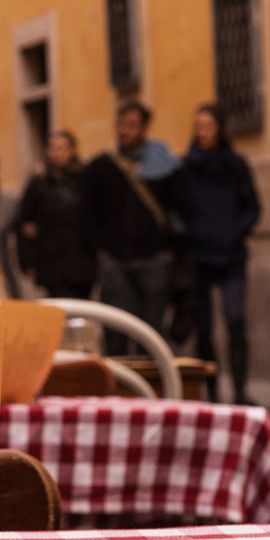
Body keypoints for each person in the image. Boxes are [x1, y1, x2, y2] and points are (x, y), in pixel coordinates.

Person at [81, 101, 191, 352]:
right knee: (116, 331)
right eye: (120, 125)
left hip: (154, 259)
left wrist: (171, 249)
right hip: (115, 260)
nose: (124, 131)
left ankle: (149, 386)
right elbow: (89, 212)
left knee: (150, 332)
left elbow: (179, 210)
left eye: (131, 125)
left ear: (145, 128)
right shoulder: (102, 167)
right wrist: (99, 249)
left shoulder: (166, 167)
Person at [183, 103, 261, 405]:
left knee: (235, 319)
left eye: (207, 126)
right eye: (198, 126)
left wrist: (236, 230)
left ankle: (240, 390)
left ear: (219, 129)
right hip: (198, 259)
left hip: (231, 257)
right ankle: (211, 392)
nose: (202, 133)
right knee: (203, 331)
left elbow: (253, 206)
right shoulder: (187, 167)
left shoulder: (236, 165)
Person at [13, 131, 95, 299]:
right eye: (53, 148)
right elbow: (23, 222)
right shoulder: (39, 182)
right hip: (52, 263)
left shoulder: (85, 178)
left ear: (72, 150)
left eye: (61, 148)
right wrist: (28, 262)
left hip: (83, 262)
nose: (57, 153)